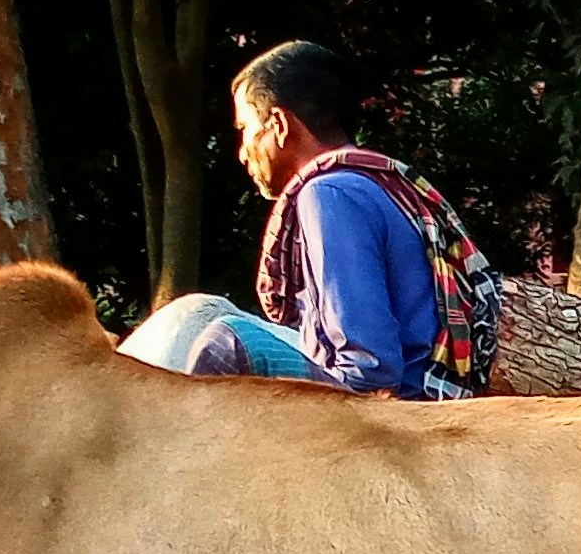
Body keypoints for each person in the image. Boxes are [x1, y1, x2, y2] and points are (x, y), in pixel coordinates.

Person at [113, 39, 497, 397]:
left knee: (226, 339)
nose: (243, 152)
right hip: (424, 385)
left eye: (245, 129)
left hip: (396, 401)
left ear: (278, 125)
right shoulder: (374, 183)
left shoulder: (328, 194)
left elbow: (369, 366)